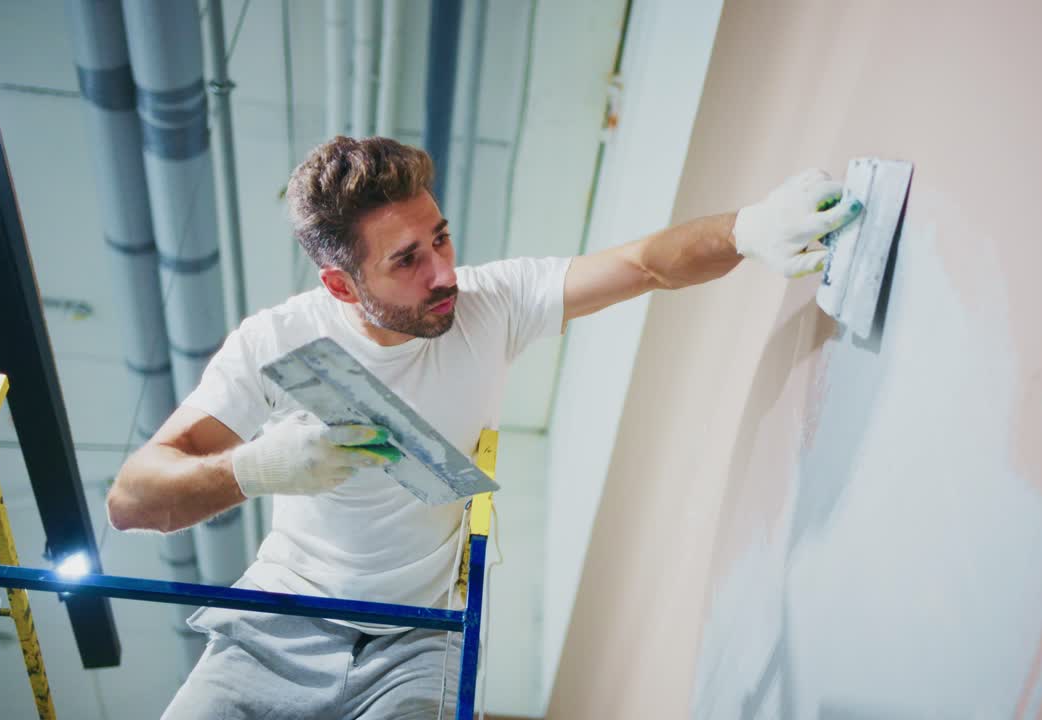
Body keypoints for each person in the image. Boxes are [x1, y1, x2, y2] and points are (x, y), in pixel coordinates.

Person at [107, 135, 861, 719]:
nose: (443, 273)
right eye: (407, 260)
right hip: (278, 626)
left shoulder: (491, 305)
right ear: (341, 283)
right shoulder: (276, 342)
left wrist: (748, 229)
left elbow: (644, 264)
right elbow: (133, 500)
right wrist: (257, 468)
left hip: (416, 641)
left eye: (441, 237)